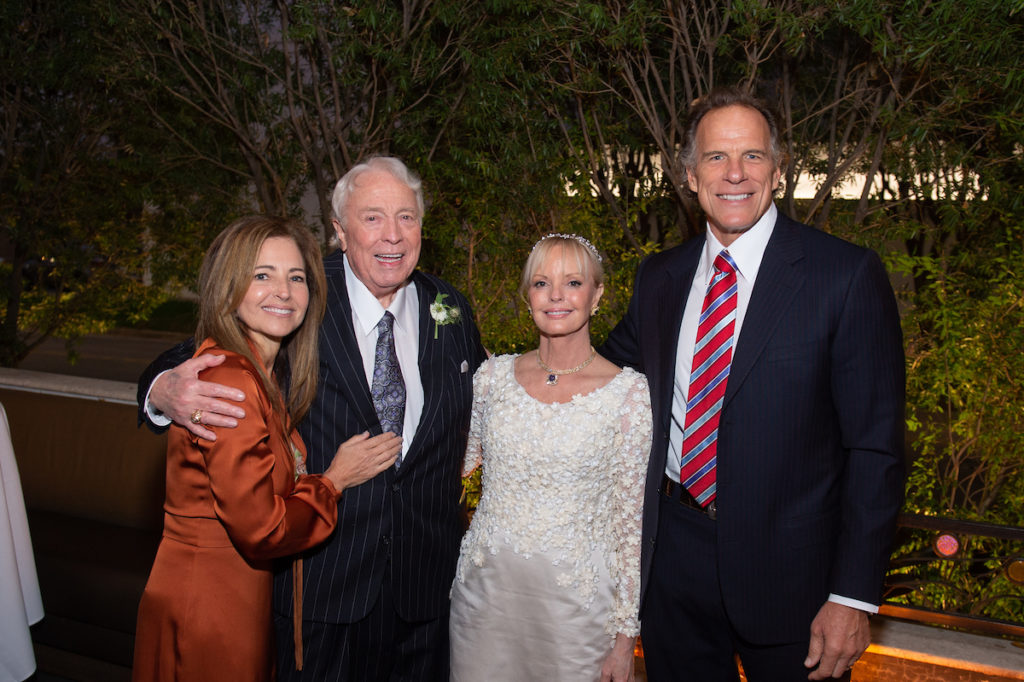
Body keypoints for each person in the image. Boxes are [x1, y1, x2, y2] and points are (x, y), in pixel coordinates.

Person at [136, 158, 487, 680]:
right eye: (372, 218)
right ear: (340, 231)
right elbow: (200, 354)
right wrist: (162, 390)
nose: (392, 235)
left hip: (424, 592)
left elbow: (483, 402)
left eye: (406, 217)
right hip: (324, 590)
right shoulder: (298, 292)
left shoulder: (449, 307)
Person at [601, 87, 906, 681]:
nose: (735, 173)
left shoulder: (844, 275)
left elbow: (876, 449)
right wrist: (510, 378)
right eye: (716, 157)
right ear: (691, 175)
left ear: (778, 169)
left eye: (753, 156)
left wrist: (852, 596)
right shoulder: (659, 277)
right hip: (672, 566)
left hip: (795, 579)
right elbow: (603, 379)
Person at [132, 216, 402, 681]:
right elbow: (262, 528)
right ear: (229, 287)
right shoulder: (231, 381)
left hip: (237, 594)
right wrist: (333, 481)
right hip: (211, 603)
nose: (283, 291)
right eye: (263, 275)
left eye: (296, 278)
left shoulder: (263, 371)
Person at [450, 234, 652, 682]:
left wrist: (625, 637)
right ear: (528, 296)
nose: (556, 295)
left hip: (576, 614)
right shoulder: (491, 379)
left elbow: (631, 526)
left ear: (596, 295)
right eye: (542, 283)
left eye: (573, 282)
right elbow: (448, 467)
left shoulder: (628, 395)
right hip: (484, 601)